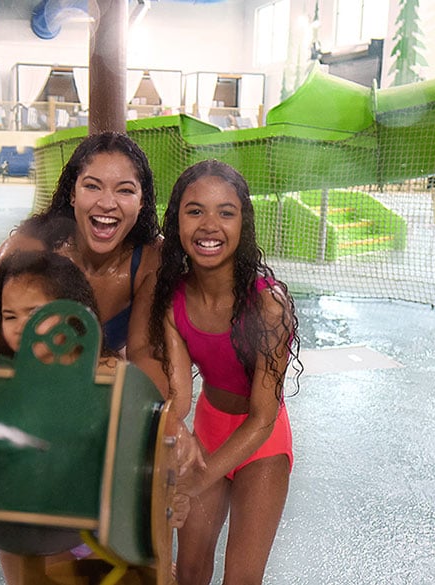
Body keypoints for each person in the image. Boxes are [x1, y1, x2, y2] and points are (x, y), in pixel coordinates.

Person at [0, 248, 192, 584]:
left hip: (110, 538)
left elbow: (153, 468)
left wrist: (170, 504)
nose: (23, 327)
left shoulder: (110, 380)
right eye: (10, 316)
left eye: (35, 313)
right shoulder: (12, 388)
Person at [149, 159, 300, 585]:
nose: (209, 225)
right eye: (195, 211)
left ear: (243, 223)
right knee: (191, 572)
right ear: (176, 221)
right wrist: (168, 451)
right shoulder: (173, 300)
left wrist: (194, 483)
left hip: (262, 444)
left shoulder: (268, 306)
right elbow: (179, 398)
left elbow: (263, 416)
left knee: (241, 579)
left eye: (225, 212)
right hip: (208, 430)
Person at [0, 131, 165, 394]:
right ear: (72, 194)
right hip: (16, 387)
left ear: (142, 202)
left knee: (110, 365)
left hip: (87, 387)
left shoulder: (149, 260)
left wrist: (144, 414)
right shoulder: (30, 248)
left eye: (125, 190)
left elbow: (145, 355)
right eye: (92, 186)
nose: (107, 203)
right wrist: (24, 415)